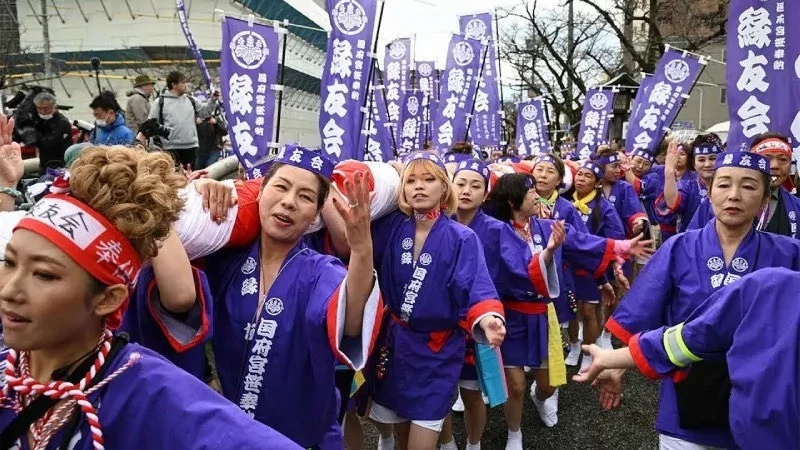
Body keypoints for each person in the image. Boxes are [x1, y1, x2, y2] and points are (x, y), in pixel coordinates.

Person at [0, 138, 301, 449]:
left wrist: (155, 215)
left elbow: (181, 295)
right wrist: (7, 186)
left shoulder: (151, 397)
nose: (9, 291)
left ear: (108, 298)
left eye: (45, 275)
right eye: (8, 262)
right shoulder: (9, 362)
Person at [157, 145, 382, 449]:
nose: (288, 202)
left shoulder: (320, 271)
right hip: (233, 434)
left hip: (302, 438)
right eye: (281, 187)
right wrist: (199, 190)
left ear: (316, 214)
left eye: (304, 197)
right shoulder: (226, 261)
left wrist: (361, 250)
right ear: (260, 190)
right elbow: (176, 290)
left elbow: (351, 322)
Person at [604, 151, 800, 449]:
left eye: (748, 186)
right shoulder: (679, 248)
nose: (734, 195)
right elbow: (642, 312)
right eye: (723, 185)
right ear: (708, 194)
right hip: (686, 388)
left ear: (764, 201)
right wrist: (615, 366)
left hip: (757, 393)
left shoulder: (789, 254)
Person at [326, 151, 506, 450]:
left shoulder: (462, 238)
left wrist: (489, 318)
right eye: (411, 180)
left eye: (428, 179)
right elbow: (355, 249)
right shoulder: (393, 227)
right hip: (394, 345)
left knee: (422, 437)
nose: (418, 186)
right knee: (399, 434)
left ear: (444, 189)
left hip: (438, 352)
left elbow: (477, 284)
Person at [482, 172, 651, 441]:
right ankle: (515, 434)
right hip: (510, 316)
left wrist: (622, 246)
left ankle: (539, 398)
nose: (536, 196)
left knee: (548, 385)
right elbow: (517, 270)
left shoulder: (548, 226)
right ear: (513, 202)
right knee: (515, 385)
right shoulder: (495, 232)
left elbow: (583, 242)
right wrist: (547, 253)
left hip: (542, 315)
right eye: (529, 192)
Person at [575, 266, 800, 450]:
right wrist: (616, 359)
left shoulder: (785, 259)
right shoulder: (774, 287)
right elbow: (693, 335)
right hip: (746, 430)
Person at [688, 133, 800, 238]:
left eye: (783, 159)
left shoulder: (796, 206)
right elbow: (692, 244)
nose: (775, 166)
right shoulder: (720, 201)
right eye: (767, 159)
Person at [570, 161, 626, 368]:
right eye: (579, 174)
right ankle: (575, 345)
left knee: (589, 311)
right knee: (572, 310)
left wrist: (609, 263)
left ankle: (588, 351)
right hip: (569, 266)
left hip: (593, 266)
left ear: (597, 183)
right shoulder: (567, 202)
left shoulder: (604, 208)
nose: (581, 179)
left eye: (587, 176)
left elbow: (616, 237)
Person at [148, 71, 220, 167]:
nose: (185, 85)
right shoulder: (160, 102)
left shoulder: (191, 100)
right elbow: (152, 123)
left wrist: (213, 100)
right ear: (173, 84)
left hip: (191, 146)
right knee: (173, 177)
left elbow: (205, 112)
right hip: (169, 147)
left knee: (189, 177)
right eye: (182, 82)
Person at [655, 136, 722, 234]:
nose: (707, 164)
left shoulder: (730, 187)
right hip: (692, 245)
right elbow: (672, 202)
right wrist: (669, 172)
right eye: (701, 160)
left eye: (712, 158)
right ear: (694, 163)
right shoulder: (688, 186)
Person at [28, 93, 72, 173]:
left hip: (60, 165)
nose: (42, 111)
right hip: (44, 164)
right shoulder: (41, 121)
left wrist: (32, 135)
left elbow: (49, 143)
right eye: (39, 108)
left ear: (54, 107)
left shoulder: (62, 123)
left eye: (45, 108)